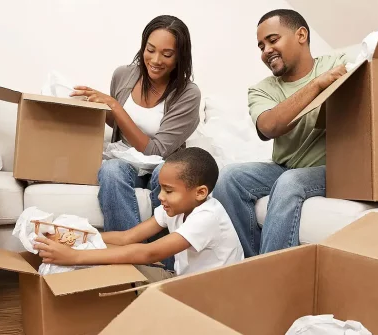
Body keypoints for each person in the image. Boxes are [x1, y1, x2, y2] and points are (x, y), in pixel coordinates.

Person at [213, 9, 347, 257]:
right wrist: (316, 84)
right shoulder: (262, 90)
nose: (266, 51)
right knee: (228, 178)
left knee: (290, 182)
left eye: (273, 40)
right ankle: (255, 266)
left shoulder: (338, 64)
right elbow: (269, 127)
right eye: (261, 46)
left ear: (301, 35)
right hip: (285, 166)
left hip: (333, 169)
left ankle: (268, 278)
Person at [70, 15, 201, 270]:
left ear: (180, 58)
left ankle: (162, 267)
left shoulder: (188, 94)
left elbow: (156, 150)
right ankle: (127, 266)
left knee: (163, 177)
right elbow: (117, 124)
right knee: (110, 170)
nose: (155, 60)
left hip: (164, 163)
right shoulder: (123, 75)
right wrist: (93, 108)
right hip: (124, 160)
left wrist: (115, 107)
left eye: (167, 54)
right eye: (150, 50)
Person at [34, 148, 244, 283]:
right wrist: (76, 237)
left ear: (200, 192)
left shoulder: (208, 216)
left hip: (211, 297)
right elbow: (127, 237)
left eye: (168, 191)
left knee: (115, 270)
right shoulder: (175, 208)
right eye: (160, 189)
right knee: (110, 264)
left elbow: (150, 253)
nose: (160, 196)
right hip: (184, 281)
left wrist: (75, 257)